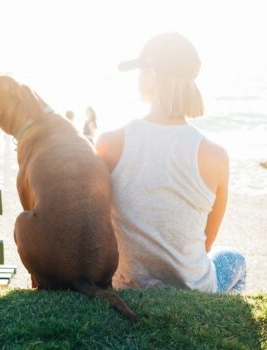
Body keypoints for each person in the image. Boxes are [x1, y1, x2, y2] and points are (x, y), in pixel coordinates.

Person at [96, 33, 246, 293]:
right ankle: (220, 322)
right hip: (193, 288)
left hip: (128, 284)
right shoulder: (216, 156)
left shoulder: (109, 143)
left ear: (152, 75)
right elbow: (206, 244)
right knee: (236, 260)